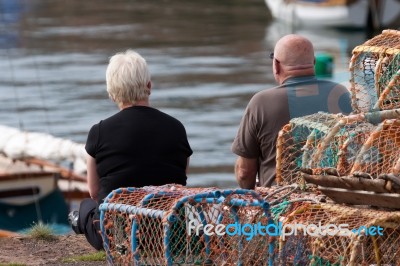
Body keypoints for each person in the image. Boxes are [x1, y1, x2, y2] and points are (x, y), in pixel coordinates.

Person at [69, 50, 193, 250]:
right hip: (166, 228)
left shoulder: (99, 131)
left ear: (111, 93)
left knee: (85, 207)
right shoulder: (176, 128)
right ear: (149, 86)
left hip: (116, 231)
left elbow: (94, 191)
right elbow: (180, 180)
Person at [231, 34, 352, 189]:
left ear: (276, 64)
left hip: (279, 204)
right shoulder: (340, 93)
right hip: (331, 199)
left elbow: (244, 172)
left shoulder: (261, 102)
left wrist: (249, 194)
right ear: (313, 62)